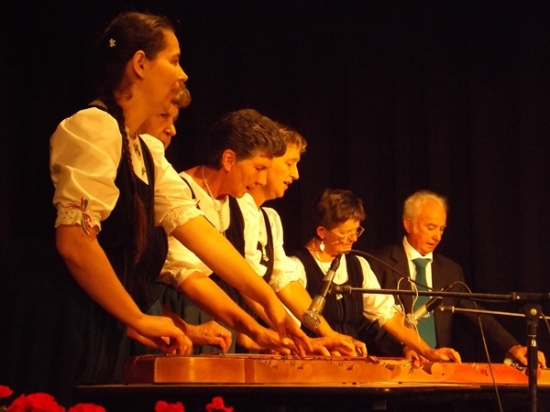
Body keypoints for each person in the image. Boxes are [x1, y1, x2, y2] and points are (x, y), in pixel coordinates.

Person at [0, 12, 304, 406]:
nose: (184, 74)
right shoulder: (93, 126)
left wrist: (269, 307)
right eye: (174, 60)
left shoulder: (146, 151)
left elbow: (196, 229)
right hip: (56, 325)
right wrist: (139, 318)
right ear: (140, 63)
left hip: (101, 329)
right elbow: (75, 243)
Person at [158, 108, 312, 354]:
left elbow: (244, 280)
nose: (262, 180)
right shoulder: (178, 192)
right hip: (176, 324)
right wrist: (255, 328)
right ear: (229, 159)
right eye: (259, 168)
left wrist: (283, 330)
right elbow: (190, 278)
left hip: (222, 328)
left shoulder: (238, 205)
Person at [368, 190, 546, 367]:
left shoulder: (450, 271)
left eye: (441, 229)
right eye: (431, 228)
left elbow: (476, 315)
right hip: (393, 365)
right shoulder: (379, 263)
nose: (437, 236)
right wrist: (403, 348)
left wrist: (513, 347)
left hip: (440, 367)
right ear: (408, 225)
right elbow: (369, 321)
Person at [290, 188, 462, 362]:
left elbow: (388, 315)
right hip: (311, 366)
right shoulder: (296, 268)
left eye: (356, 231)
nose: (353, 239)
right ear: (321, 232)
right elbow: (289, 330)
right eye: (344, 233)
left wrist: (427, 351)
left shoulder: (358, 265)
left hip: (353, 365)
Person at [241, 123, 362, 356]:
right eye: (290, 163)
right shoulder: (234, 208)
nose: (296, 174)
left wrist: (328, 334)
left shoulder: (269, 219)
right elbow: (243, 281)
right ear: (265, 159)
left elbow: (284, 282)